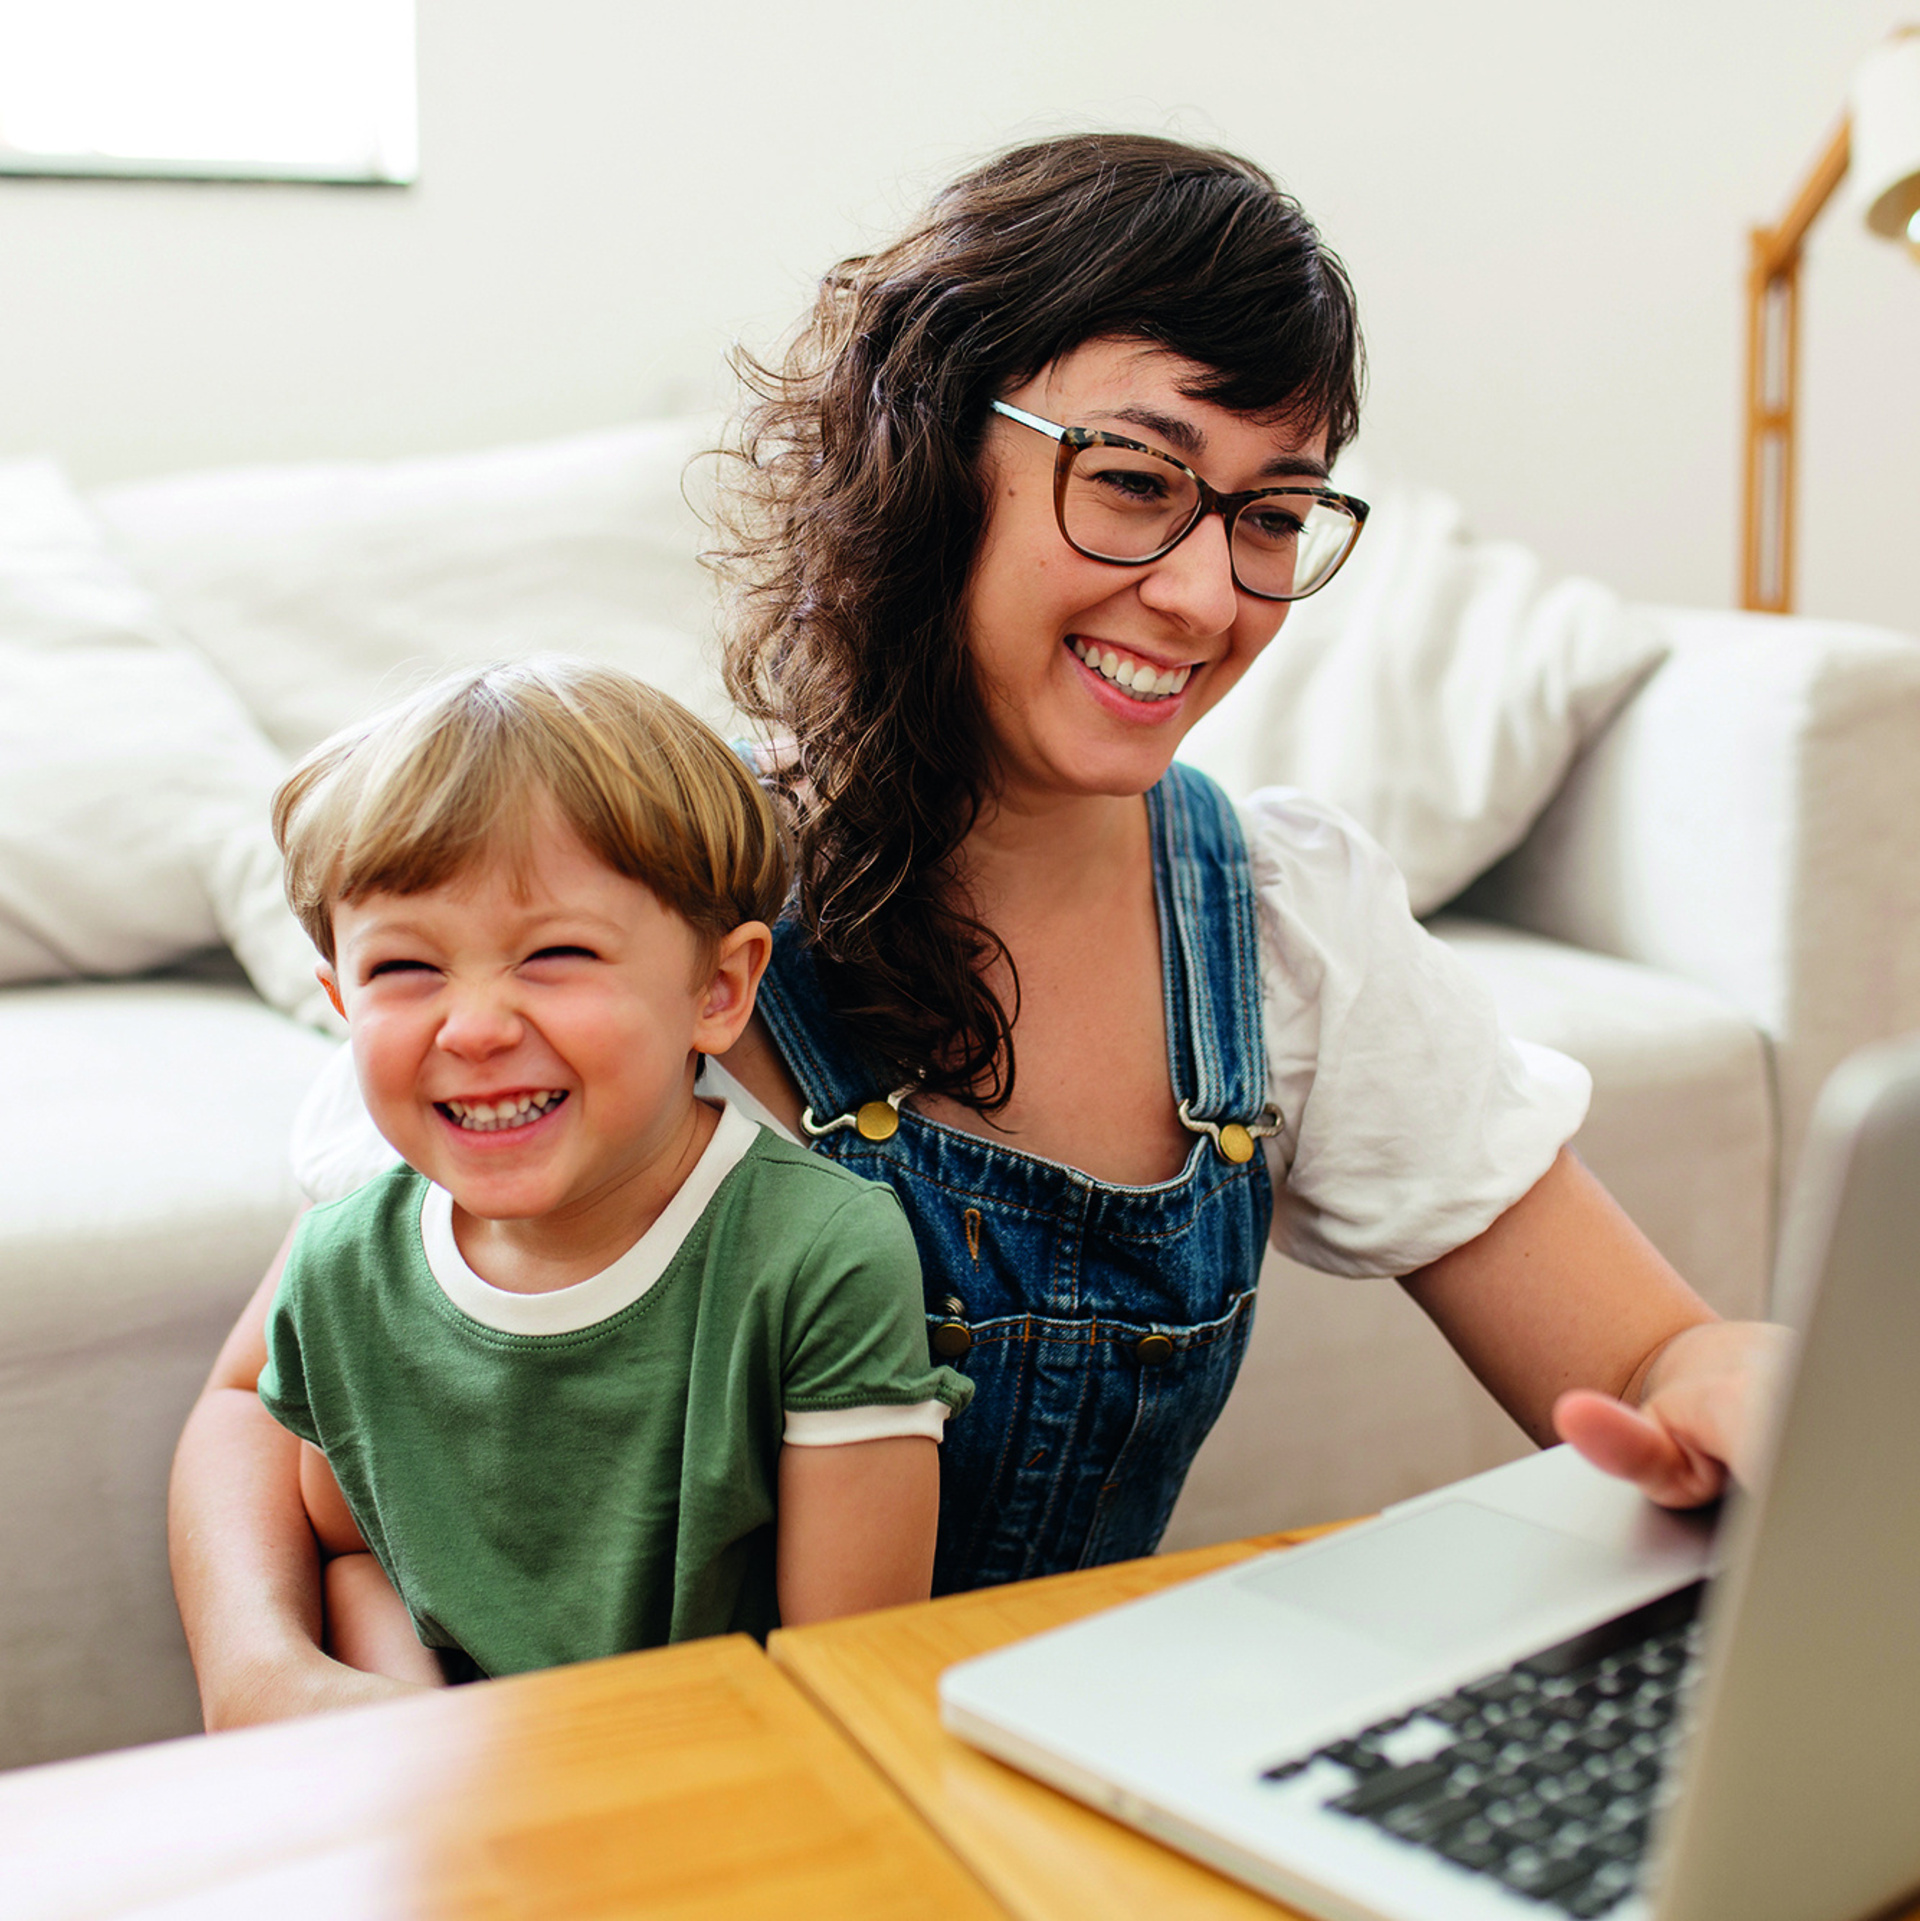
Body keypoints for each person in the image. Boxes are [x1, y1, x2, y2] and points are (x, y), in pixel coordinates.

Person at [171, 133, 1788, 1726]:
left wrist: (1737, 1389)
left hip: (1012, 1795)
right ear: (931, 449)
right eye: (1138, 483)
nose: (1210, 597)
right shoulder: (647, 875)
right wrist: (268, 1677)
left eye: (1272, 517)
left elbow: (1650, 1357)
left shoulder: (1283, 926)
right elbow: (272, 1388)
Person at [240, 658, 970, 1690]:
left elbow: (850, 1672)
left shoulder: (818, 1256)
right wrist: (413, 1738)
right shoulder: (337, 1267)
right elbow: (354, 1549)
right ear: (340, 1000)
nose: (479, 1026)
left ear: (718, 988)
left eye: (556, 954)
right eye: (405, 968)